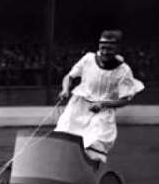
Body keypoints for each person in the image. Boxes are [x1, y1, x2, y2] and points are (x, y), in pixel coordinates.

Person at [55, 30, 144, 162]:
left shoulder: (124, 70)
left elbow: (125, 99)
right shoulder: (88, 59)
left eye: (110, 48)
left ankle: (88, 178)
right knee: (64, 139)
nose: (105, 52)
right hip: (78, 107)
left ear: (118, 48)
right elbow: (69, 76)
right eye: (102, 47)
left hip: (102, 111)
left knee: (95, 147)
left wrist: (103, 104)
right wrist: (65, 90)